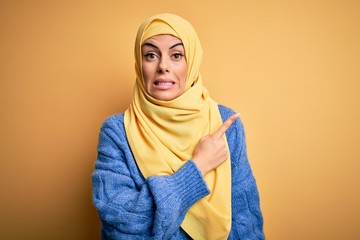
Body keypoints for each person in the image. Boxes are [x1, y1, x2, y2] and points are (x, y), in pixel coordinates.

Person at [92, 13, 265, 240]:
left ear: (191, 62)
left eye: (176, 55)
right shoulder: (117, 132)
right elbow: (122, 225)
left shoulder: (225, 123)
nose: (163, 66)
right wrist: (198, 166)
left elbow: (246, 222)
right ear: (139, 63)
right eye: (151, 55)